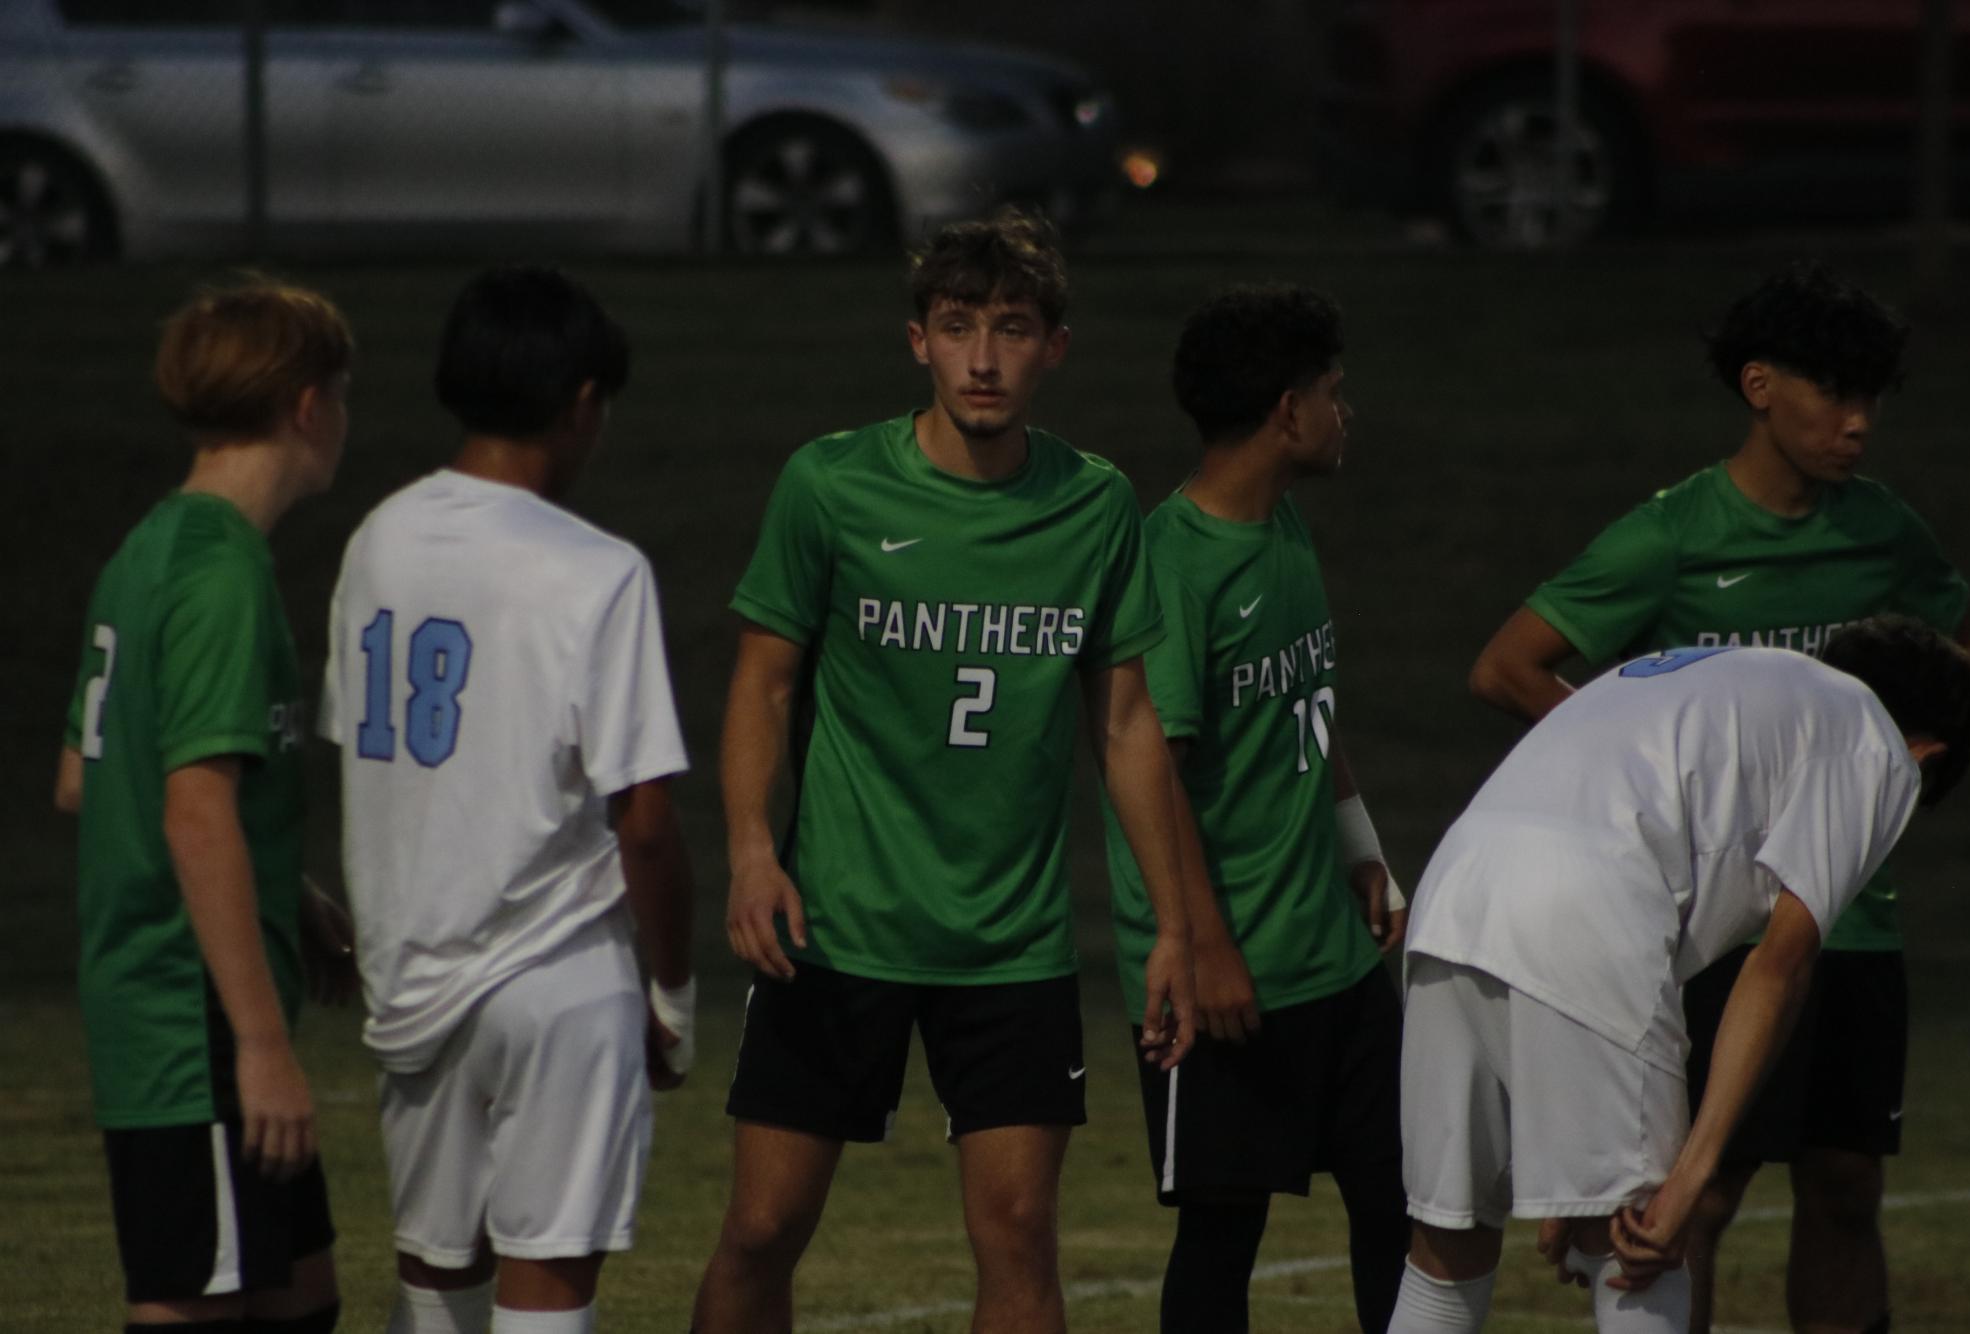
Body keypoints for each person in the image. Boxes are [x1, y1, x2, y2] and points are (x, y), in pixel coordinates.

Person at [690, 207, 1197, 1334]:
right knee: (763, 1228)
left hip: (1009, 943)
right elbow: (764, 683)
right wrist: (750, 849)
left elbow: (1125, 725)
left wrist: (1172, 921)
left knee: (1018, 1238)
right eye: (958, 326)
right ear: (915, 337)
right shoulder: (830, 487)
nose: (983, 357)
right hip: (838, 924)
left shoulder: (1096, 503)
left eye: (1012, 328)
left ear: (1053, 346)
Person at [1467, 260, 1970, 1334]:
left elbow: (1964, 652)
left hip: (1854, 919)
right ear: (1759, 386)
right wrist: (1641, 793)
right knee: (1696, 1190)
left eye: (1871, 398)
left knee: (1847, 1184)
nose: (1858, 423)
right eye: (1834, 392)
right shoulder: (1673, 535)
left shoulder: (1884, 531)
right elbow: (1510, 665)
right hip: (1715, 932)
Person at [1388, 619, 1970, 1334]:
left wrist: (1575, 1163)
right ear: (1927, 753)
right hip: (1587, 909)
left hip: (1452, 894)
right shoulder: (1872, 740)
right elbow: (1778, 967)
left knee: (1447, 1243)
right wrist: (1690, 1177)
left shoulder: (1716, 676)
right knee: (1643, 1247)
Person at [318, 266, 696, 1334]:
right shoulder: (599, 569)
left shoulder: (375, 541)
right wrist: (671, 994)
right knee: (546, 1293)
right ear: (582, 402)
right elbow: (649, 824)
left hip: (415, 971)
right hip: (558, 970)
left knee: (436, 1286)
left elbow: (370, 759)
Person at [1105, 284, 1409, 1333]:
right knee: (1222, 1233)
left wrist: (1362, 845)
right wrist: (1203, 946)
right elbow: (1154, 768)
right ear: (1287, 410)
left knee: (1406, 1207)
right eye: (1334, 391)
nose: (1344, 412)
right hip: (1221, 975)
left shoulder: (1280, 528)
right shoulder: (1172, 564)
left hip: (1331, 958)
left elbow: (1304, 710)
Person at [55, 279, 355, 1332]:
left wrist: (289, 889)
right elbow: (194, 809)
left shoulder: (149, 550)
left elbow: (83, 775)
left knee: (297, 1285)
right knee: (197, 1302)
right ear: (309, 406)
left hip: (175, 999)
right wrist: (261, 1045)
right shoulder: (222, 574)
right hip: (194, 1021)